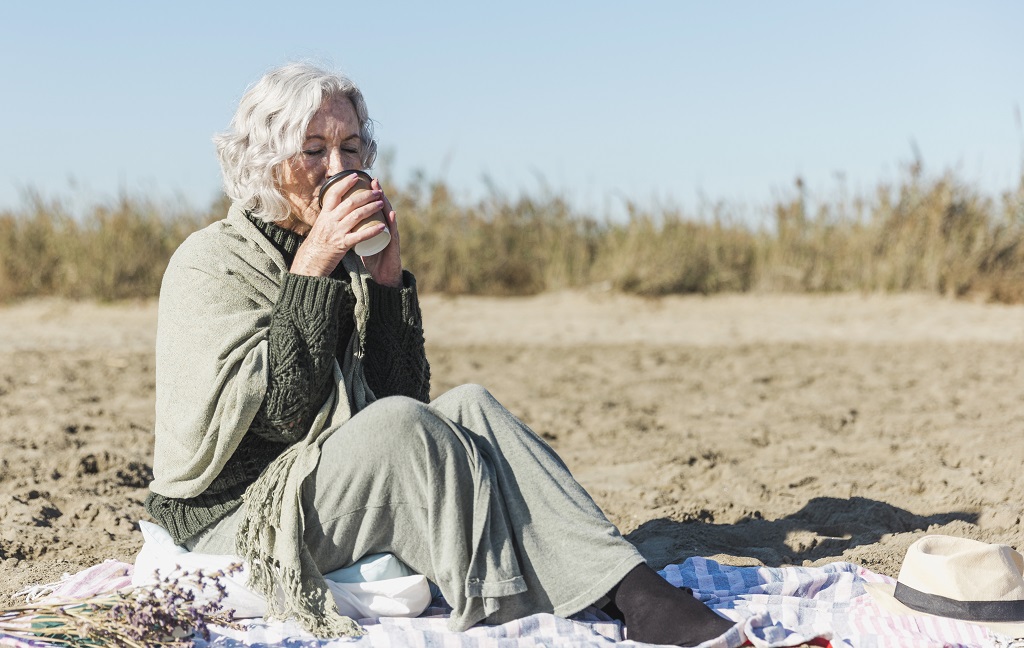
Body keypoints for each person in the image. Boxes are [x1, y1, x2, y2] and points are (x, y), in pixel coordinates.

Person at [144, 62, 735, 647]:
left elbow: (402, 400)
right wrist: (315, 267)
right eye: (315, 150)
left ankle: (635, 592)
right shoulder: (211, 263)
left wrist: (385, 283)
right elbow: (280, 418)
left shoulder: (343, 263)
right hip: (236, 519)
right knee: (402, 428)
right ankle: (509, 598)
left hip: (321, 482)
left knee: (471, 406)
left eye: (352, 148)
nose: (340, 168)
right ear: (267, 164)